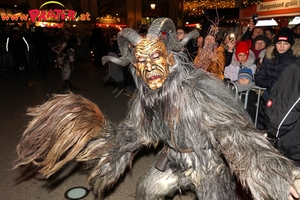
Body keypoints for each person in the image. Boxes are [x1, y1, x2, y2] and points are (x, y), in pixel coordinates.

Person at [14, 18, 299, 200]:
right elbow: (130, 135)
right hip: (174, 161)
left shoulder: (200, 91)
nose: (150, 67)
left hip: (208, 166)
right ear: (135, 68)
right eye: (141, 61)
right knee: (145, 191)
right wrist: (92, 127)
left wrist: (280, 175)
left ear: (171, 60)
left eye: (155, 57)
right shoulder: (145, 103)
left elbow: (239, 137)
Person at [255, 27, 299, 130]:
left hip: (286, 100)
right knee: (263, 125)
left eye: (286, 43)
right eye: (279, 43)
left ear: (291, 44)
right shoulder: (269, 57)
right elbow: (259, 78)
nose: (282, 46)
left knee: (280, 127)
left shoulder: (295, 60)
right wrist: (272, 83)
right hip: (268, 97)